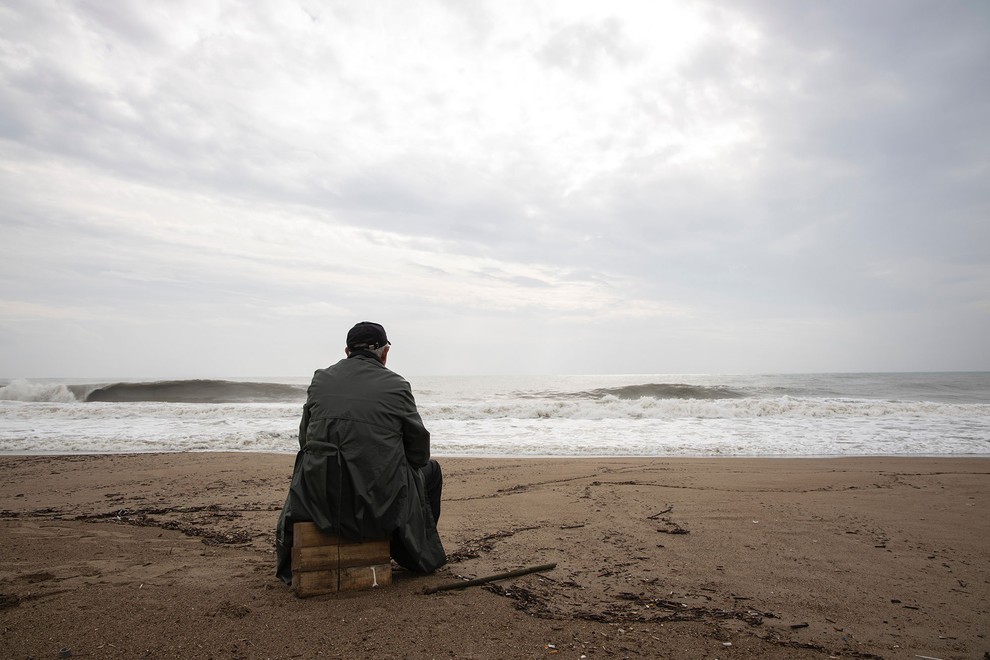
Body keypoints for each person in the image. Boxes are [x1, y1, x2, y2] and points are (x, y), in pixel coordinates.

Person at [275, 322, 446, 583]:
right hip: (377, 504)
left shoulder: (320, 379)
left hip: (318, 500)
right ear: (385, 353)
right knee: (431, 471)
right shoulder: (397, 385)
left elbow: (305, 440)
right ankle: (412, 553)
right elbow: (419, 452)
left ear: (347, 351)